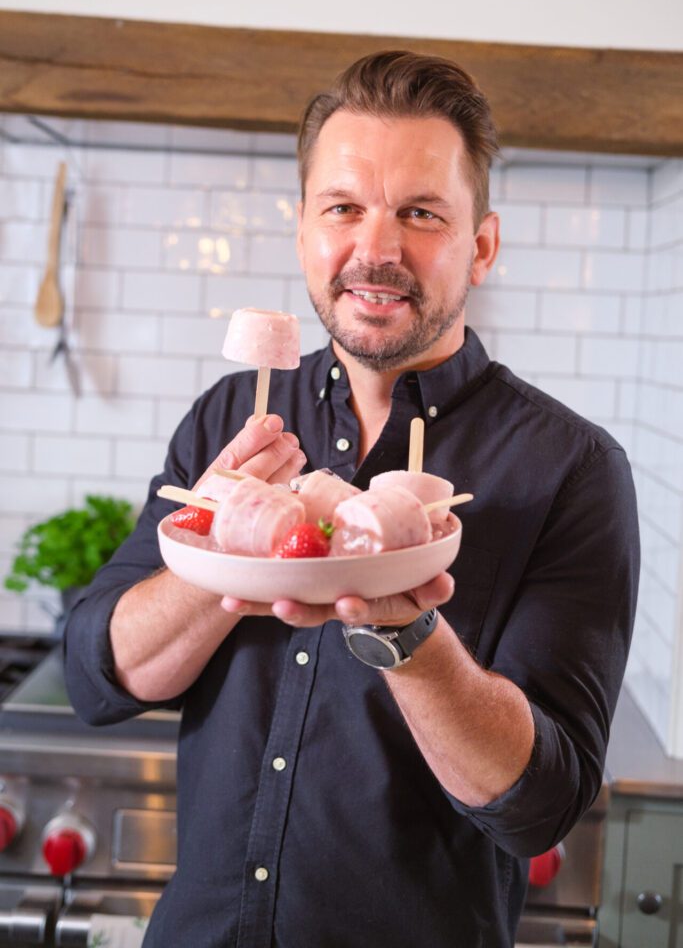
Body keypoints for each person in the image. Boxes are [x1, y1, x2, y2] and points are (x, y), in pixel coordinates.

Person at [63, 51, 639, 948]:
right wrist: (221, 544)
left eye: (419, 213)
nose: (375, 249)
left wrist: (409, 636)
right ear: (302, 231)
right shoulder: (231, 416)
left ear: (479, 245)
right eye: (342, 208)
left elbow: (540, 807)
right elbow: (98, 678)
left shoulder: (568, 468)